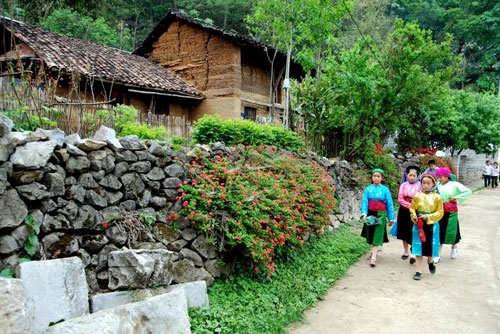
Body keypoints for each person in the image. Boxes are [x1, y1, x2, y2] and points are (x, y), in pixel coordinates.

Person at [409, 173, 444, 281]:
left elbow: (440, 212)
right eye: (423, 183)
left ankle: (430, 261)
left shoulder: (437, 197)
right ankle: (418, 271)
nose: (425, 185)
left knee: (431, 246)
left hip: (432, 225)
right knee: (418, 246)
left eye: (428, 183)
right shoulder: (417, 196)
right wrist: (414, 217)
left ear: (433, 183)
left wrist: (428, 217)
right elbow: (412, 209)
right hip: (419, 225)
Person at [360, 168, 396, 267]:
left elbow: (389, 204)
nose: (376, 178)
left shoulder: (385, 190)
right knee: (371, 233)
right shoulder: (368, 189)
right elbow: (365, 201)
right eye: (374, 176)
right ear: (372, 178)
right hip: (371, 213)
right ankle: (374, 251)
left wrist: (391, 218)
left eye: (378, 176)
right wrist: (364, 213)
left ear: (382, 178)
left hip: (381, 214)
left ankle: (373, 257)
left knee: (377, 234)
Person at [436, 167, 472, 261]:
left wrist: (456, 197)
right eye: (438, 177)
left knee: (452, 230)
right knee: (439, 231)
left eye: (441, 177)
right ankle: (438, 254)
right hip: (439, 210)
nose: (439, 179)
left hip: (451, 210)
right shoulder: (437, 185)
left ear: (446, 176)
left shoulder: (454, 184)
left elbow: (467, 192)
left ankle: (454, 247)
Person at [396, 166, 421, 263]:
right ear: (407, 175)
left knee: (414, 231)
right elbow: (400, 199)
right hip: (404, 211)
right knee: (403, 231)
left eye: (414, 175)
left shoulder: (420, 186)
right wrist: (410, 205)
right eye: (410, 175)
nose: (412, 177)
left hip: (415, 212)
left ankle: (413, 250)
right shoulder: (403, 185)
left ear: (417, 176)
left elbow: (420, 198)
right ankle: (406, 251)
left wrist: (414, 207)